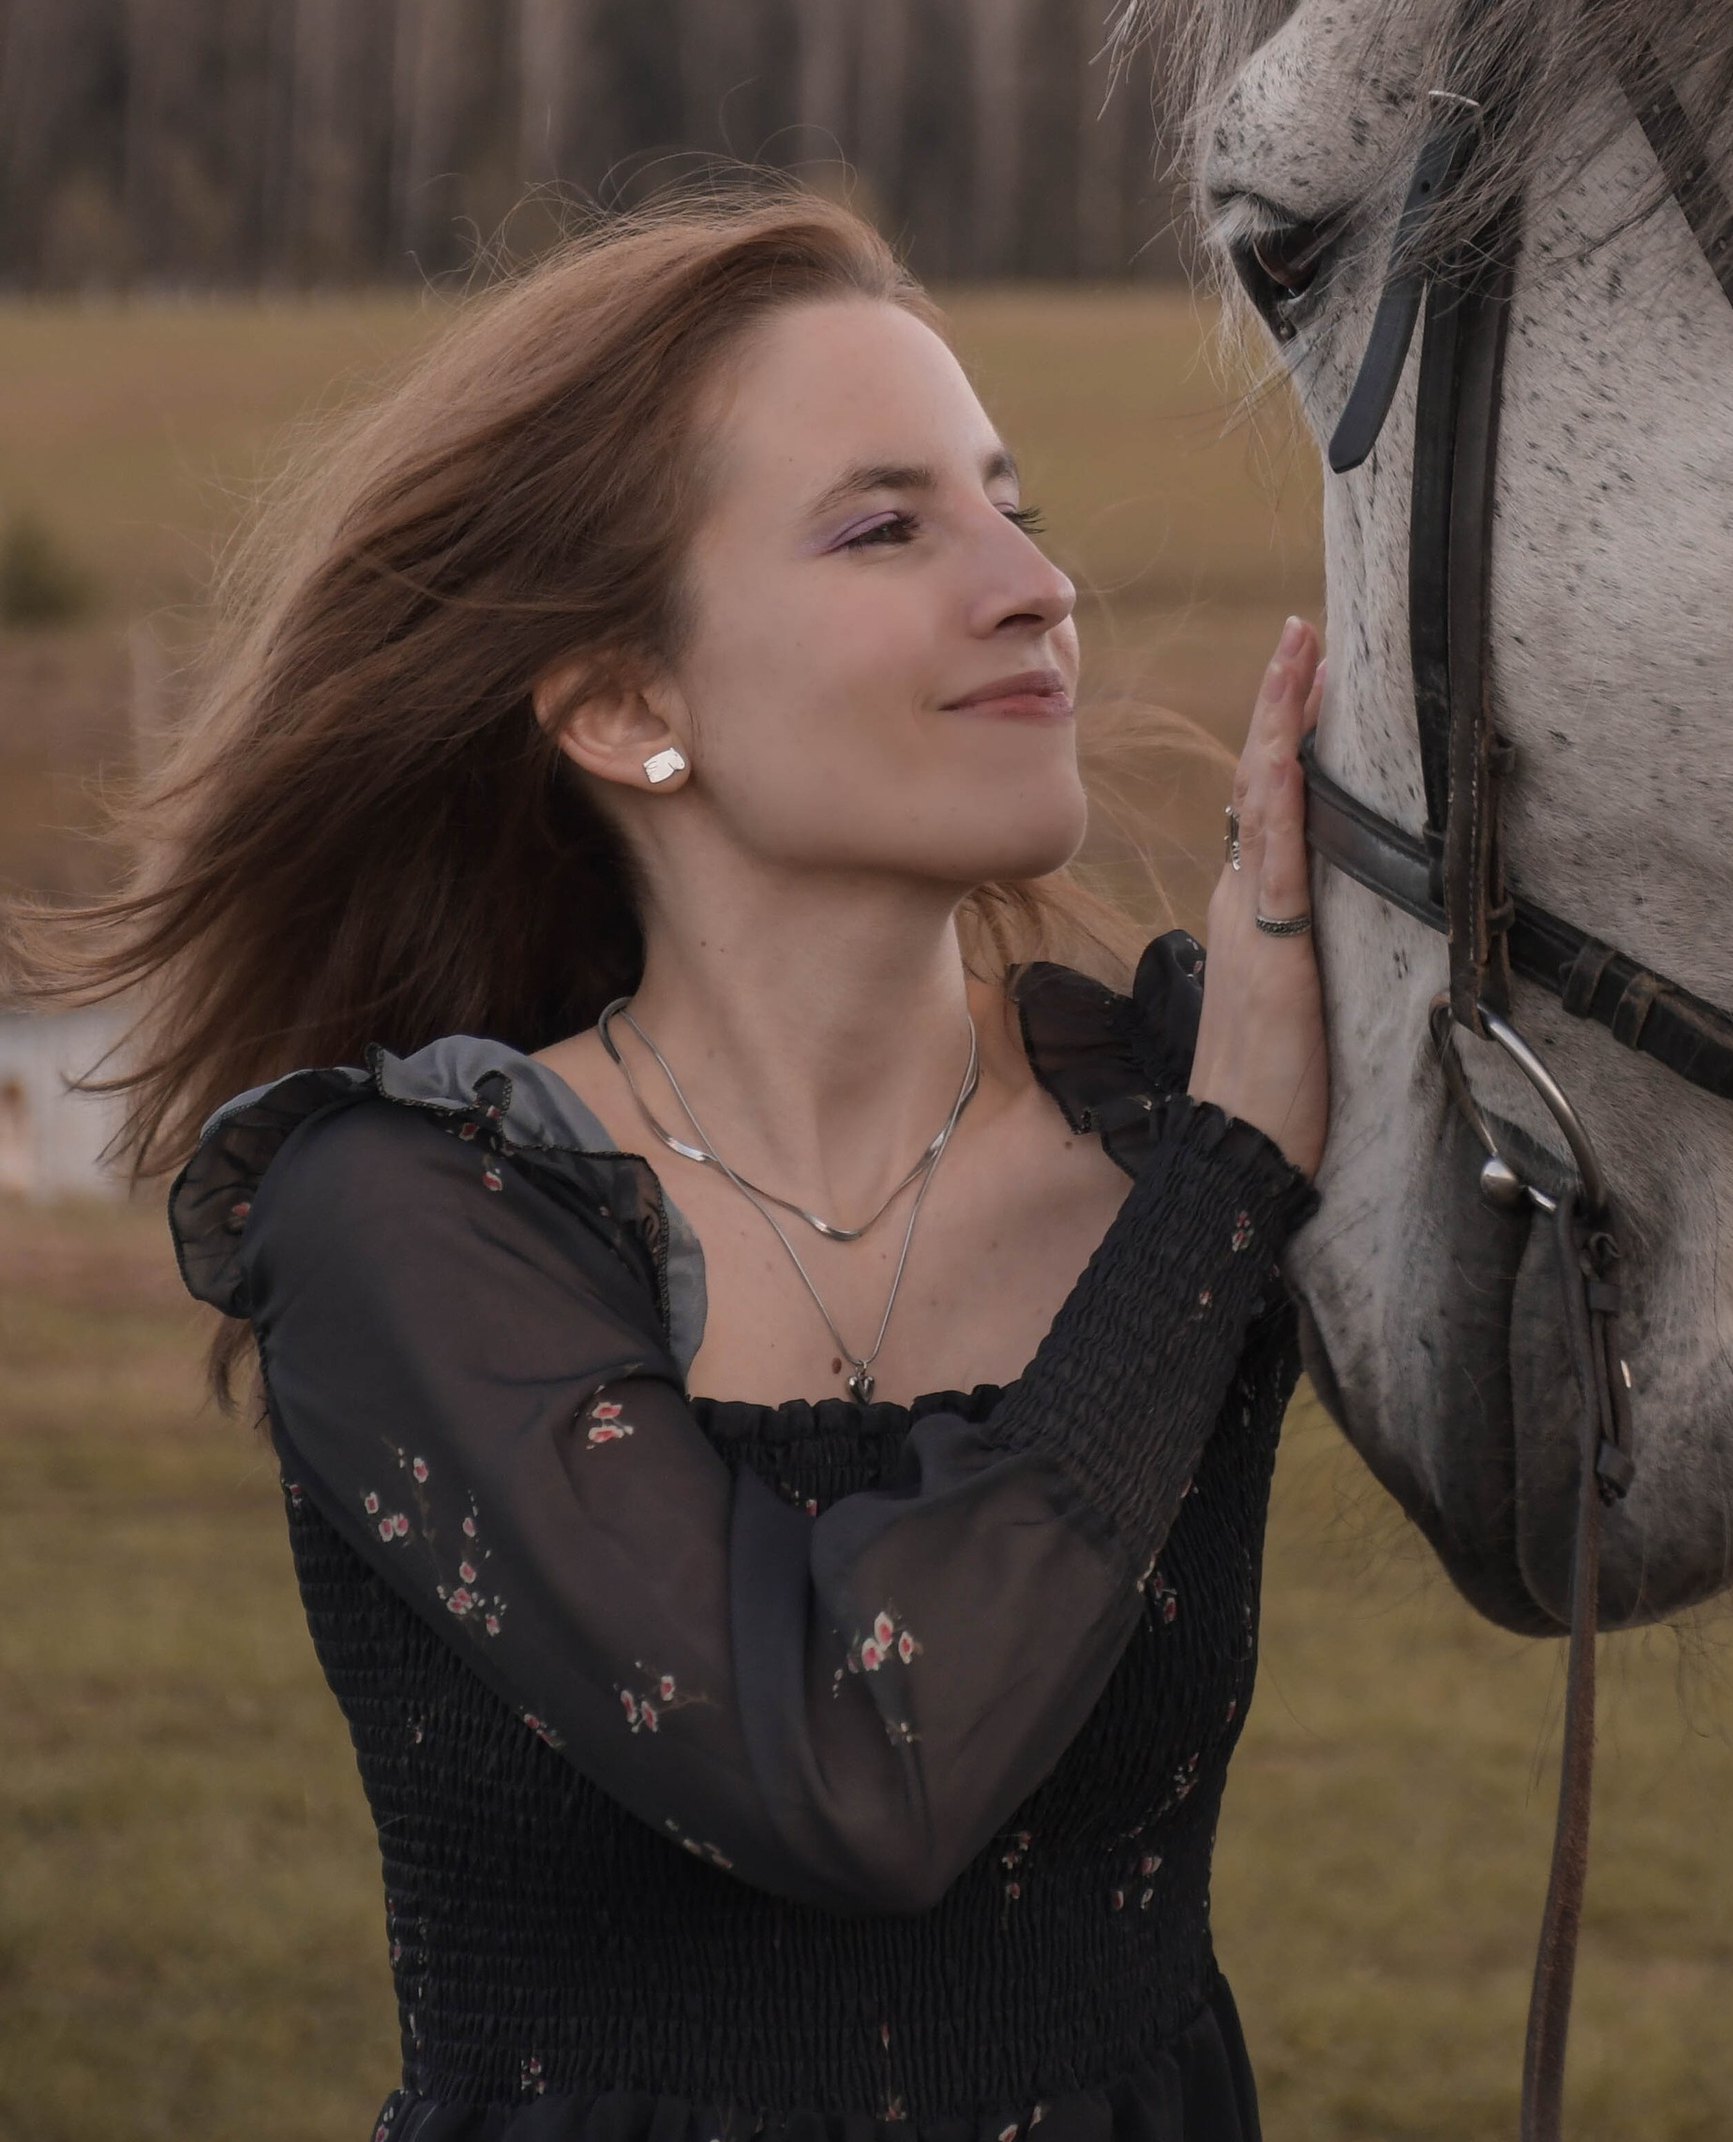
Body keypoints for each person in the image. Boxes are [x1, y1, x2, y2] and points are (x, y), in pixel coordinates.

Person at [67, 196, 1329, 2142]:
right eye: (886, 527)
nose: (1034, 586)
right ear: (624, 706)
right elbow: (853, 1771)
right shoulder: (412, 1221)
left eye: (1014, 507)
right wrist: (1229, 1187)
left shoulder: (1170, 1109)